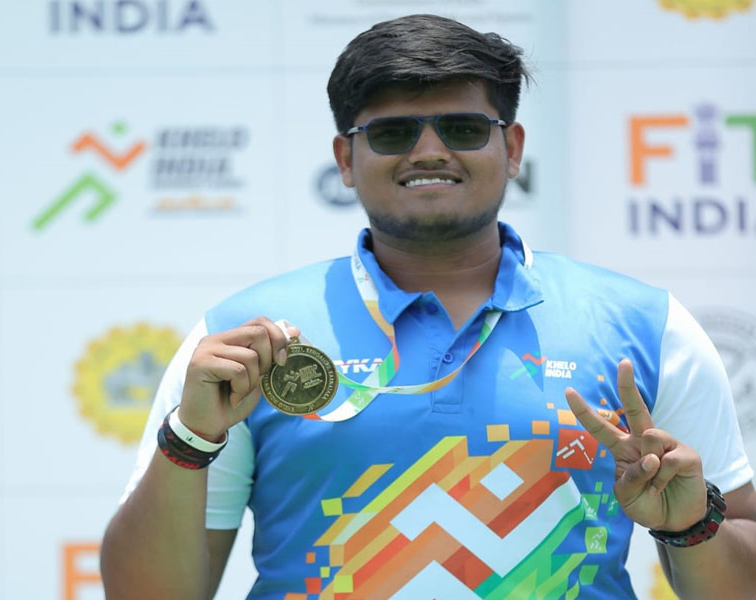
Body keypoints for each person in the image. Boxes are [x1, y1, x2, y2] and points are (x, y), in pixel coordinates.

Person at [100, 13, 756, 600]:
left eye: (464, 127)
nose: (430, 151)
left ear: (515, 148)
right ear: (345, 159)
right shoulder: (240, 341)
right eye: (392, 134)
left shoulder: (645, 324)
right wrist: (190, 440)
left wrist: (694, 527)